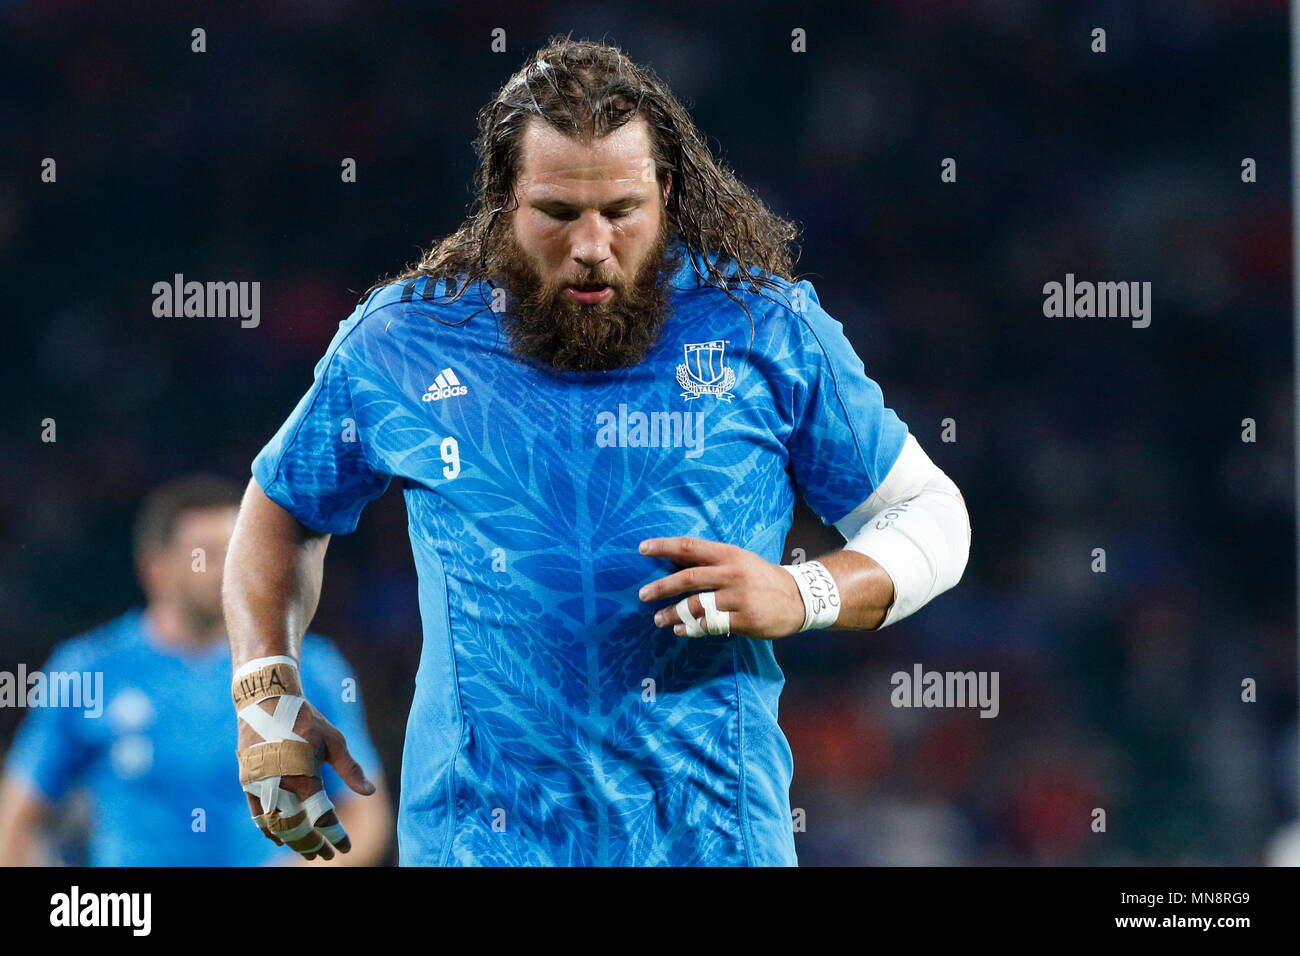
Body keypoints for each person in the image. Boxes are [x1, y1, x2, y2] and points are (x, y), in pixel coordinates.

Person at [223, 38, 970, 867]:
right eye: (557, 212)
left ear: (667, 192)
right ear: (506, 200)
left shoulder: (764, 331)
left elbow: (934, 517)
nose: (591, 244)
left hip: (714, 842)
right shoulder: (401, 342)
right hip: (477, 845)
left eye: (620, 211)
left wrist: (805, 590)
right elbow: (283, 506)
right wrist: (266, 692)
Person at [0, 475, 392, 866]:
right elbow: (16, 820)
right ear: (155, 568)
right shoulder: (89, 669)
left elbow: (365, 814)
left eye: (239, 552)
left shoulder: (305, 668)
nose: (230, 570)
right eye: (208, 554)